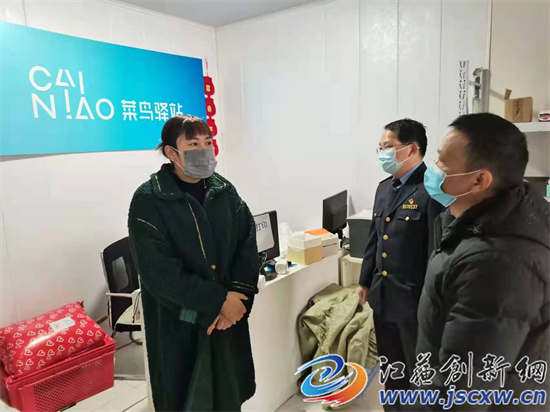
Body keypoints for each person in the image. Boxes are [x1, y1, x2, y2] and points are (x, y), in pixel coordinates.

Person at [417, 113, 550, 411]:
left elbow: (464, 390)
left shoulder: (496, 263)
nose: (433, 169)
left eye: (442, 162)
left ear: (479, 180)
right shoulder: (483, 222)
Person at [128, 115, 259, 412]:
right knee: (187, 398)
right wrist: (217, 301)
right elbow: (158, 273)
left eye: (208, 143)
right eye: (193, 144)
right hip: (180, 321)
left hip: (226, 320)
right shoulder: (149, 200)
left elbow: (246, 243)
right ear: (171, 153)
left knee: (228, 396)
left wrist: (238, 297)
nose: (204, 151)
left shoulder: (224, 191)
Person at [357, 119, 444, 410]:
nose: (383, 154)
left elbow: (436, 251)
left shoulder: (432, 190)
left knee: (418, 371)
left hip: (415, 301)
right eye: (380, 148)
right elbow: (374, 238)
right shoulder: (384, 189)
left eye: (389, 147)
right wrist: (365, 280)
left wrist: (434, 301)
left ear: (412, 149)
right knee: (391, 367)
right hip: (383, 296)